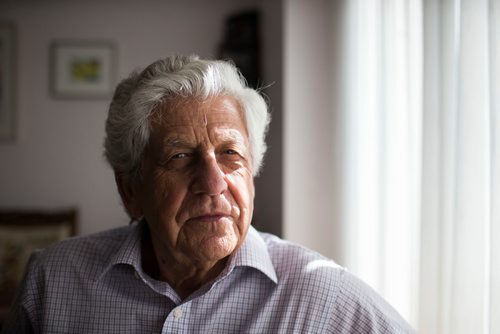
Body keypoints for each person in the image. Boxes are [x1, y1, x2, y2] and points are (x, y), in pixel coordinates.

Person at [2, 54, 414, 333]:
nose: (214, 182)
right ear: (130, 189)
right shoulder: (53, 281)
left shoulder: (320, 293)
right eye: (180, 156)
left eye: (231, 154)